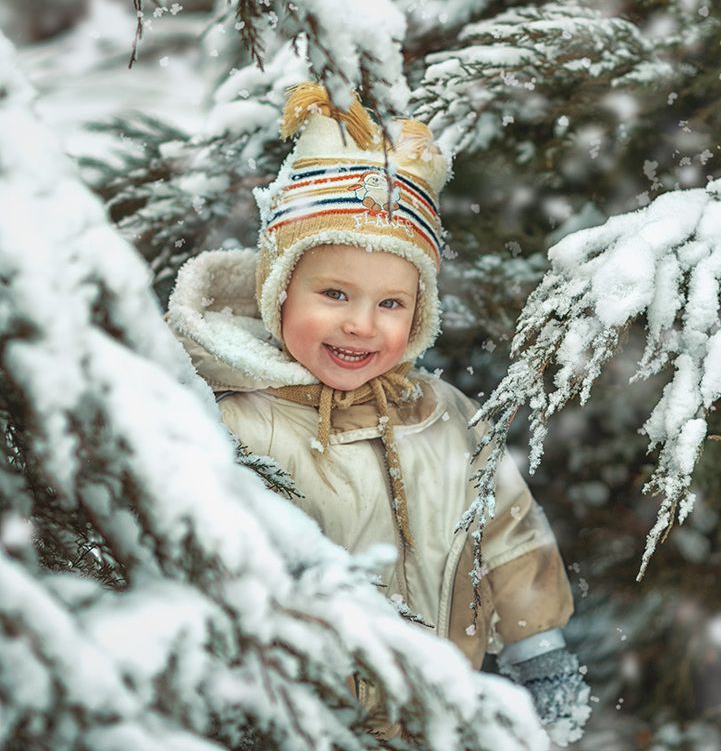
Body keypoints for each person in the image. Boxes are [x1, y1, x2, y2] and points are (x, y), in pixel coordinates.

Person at [167, 82, 589, 740]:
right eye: (334, 293)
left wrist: (541, 656)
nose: (361, 325)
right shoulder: (227, 422)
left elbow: (505, 531)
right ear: (278, 291)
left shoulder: (441, 415)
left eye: (391, 303)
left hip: (440, 722)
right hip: (292, 726)